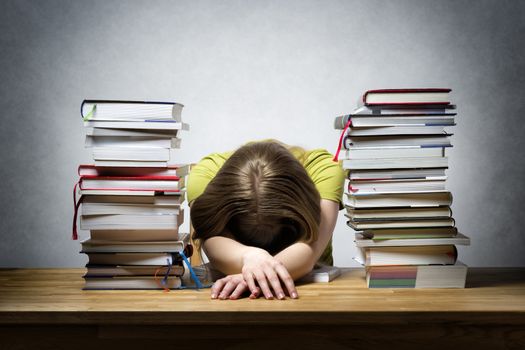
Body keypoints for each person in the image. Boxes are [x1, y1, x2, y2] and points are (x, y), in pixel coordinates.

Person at [187, 140, 345, 300]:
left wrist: (249, 276)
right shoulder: (206, 175)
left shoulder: (323, 169)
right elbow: (210, 241)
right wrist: (251, 256)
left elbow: (310, 249)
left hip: (312, 298)